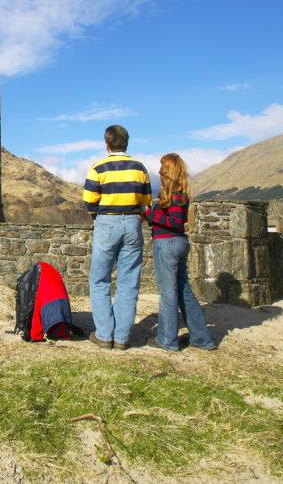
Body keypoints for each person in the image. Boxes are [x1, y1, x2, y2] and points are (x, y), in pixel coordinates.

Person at [83, 125, 152, 350]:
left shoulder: (98, 167)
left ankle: (104, 335)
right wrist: (136, 218)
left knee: (100, 279)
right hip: (132, 223)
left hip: (106, 223)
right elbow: (147, 201)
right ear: (126, 142)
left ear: (107, 143)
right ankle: (122, 338)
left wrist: (99, 217)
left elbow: (89, 200)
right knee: (129, 281)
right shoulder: (139, 168)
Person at [145, 153, 216, 351]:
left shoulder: (175, 195)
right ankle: (201, 339)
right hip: (178, 244)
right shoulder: (178, 194)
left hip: (167, 245)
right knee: (185, 293)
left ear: (169, 170)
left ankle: (166, 340)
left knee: (168, 295)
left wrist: (151, 214)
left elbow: (175, 222)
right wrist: (154, 214)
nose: (159, 170)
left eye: (162, 167)